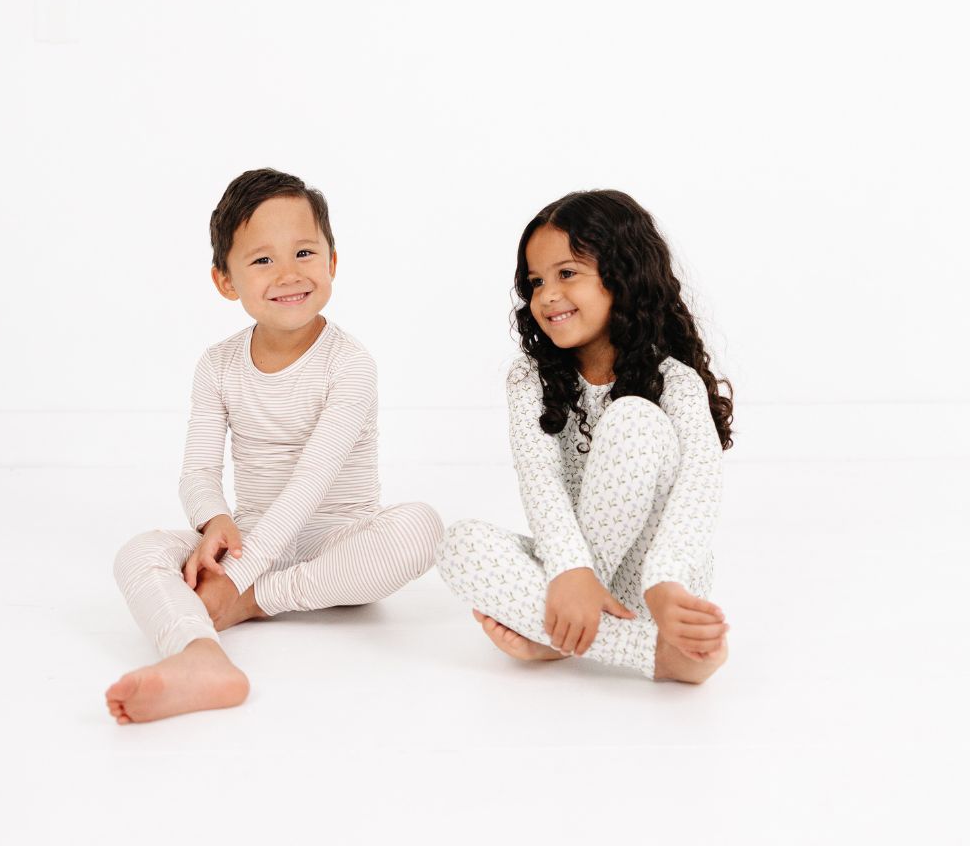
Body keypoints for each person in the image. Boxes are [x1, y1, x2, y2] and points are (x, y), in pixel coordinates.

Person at [106, 168, 443, 723]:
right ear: (225, 280)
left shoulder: (350, 364)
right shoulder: (216, 366)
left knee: (422, 528)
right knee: (138, 553)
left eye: (305, 252)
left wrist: (240, 586)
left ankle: (254, 606)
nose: (288, 273)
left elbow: (311, 482)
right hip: (251, 542)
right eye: (262, 260)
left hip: (341, 549)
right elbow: (196, 473)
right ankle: (200, 657)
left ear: (333, 262)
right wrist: (213, 520)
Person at [435, 190, 734, 683]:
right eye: (535, 282)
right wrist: (571, 570)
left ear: (623, 277)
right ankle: (637, 650)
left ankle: (558, 632)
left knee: (633, 418)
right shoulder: (528, 380)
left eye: (567, 273)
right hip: (568, 574)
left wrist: (665, 578)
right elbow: (540, 479)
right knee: (458, 544)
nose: (547, 294)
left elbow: (701, 482)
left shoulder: (673, 380)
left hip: (658, 587)